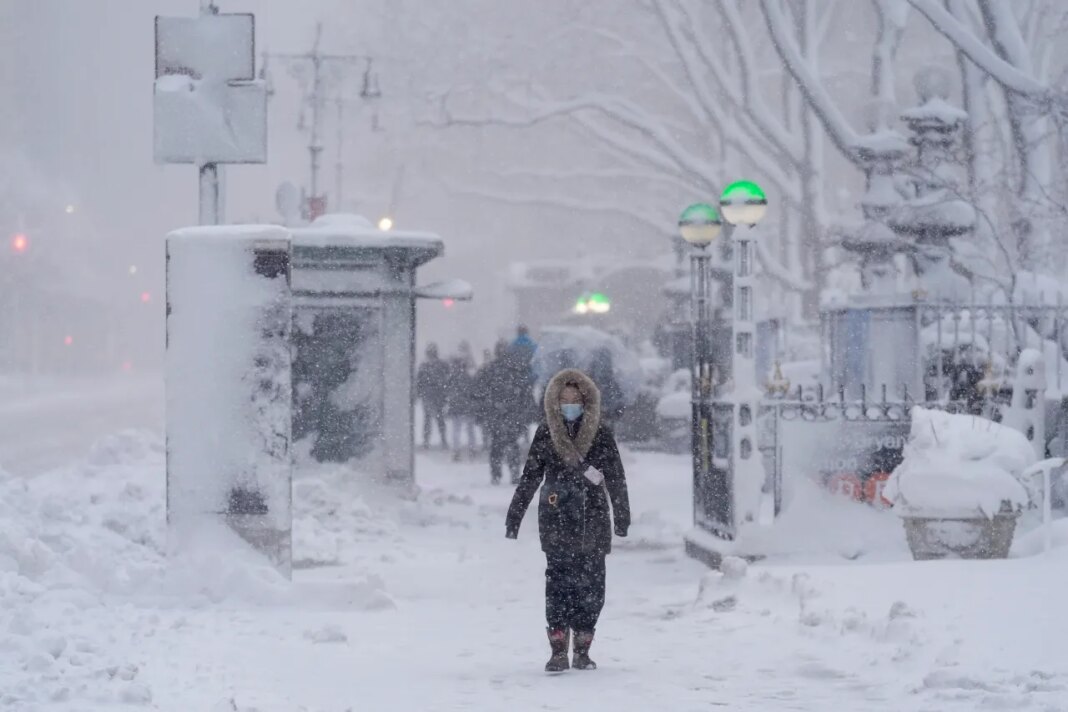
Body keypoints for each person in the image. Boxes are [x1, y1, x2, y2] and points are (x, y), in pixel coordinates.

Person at [505, 368, 630, 673]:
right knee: (558, 584)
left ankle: (583, 648)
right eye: (563, 399)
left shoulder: (601, 432)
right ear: (554, 402)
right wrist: (515, 516)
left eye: (575, 398)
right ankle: (558, 648)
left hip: (593, 518)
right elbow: (531, 476)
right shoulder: (546, 433)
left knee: (592, 585)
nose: (569, 404)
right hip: (556, 516)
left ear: (586, 401)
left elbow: (615, 476)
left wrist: (622, 516)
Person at [474, 341, 529, 484]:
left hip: (497, 413)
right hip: (510, 413)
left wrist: (488, 406)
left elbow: (480, 391)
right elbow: (523, 391)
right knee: (511, 444)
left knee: (497, 445)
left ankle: (496, 474)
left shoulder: (490, 369)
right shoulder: (515, 369)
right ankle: (514, 473)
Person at [416, 343, 450, 449]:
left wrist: (418, 394)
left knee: (428, 419)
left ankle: (427, 441)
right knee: (439, 419)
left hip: (429, 395)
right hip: (438, 394)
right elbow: (447, 378)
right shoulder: (442, 364)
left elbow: (419, 382)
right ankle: (443, 440)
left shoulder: (424, 365)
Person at [446, 354, 479, 461]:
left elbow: (448, 392)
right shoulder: (468, 378)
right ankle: (472, 449)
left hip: (456, 408)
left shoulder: (452, 378)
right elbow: (473, 392)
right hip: (467, 407)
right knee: (470, 429)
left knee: (456, 430)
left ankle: (456, 451)